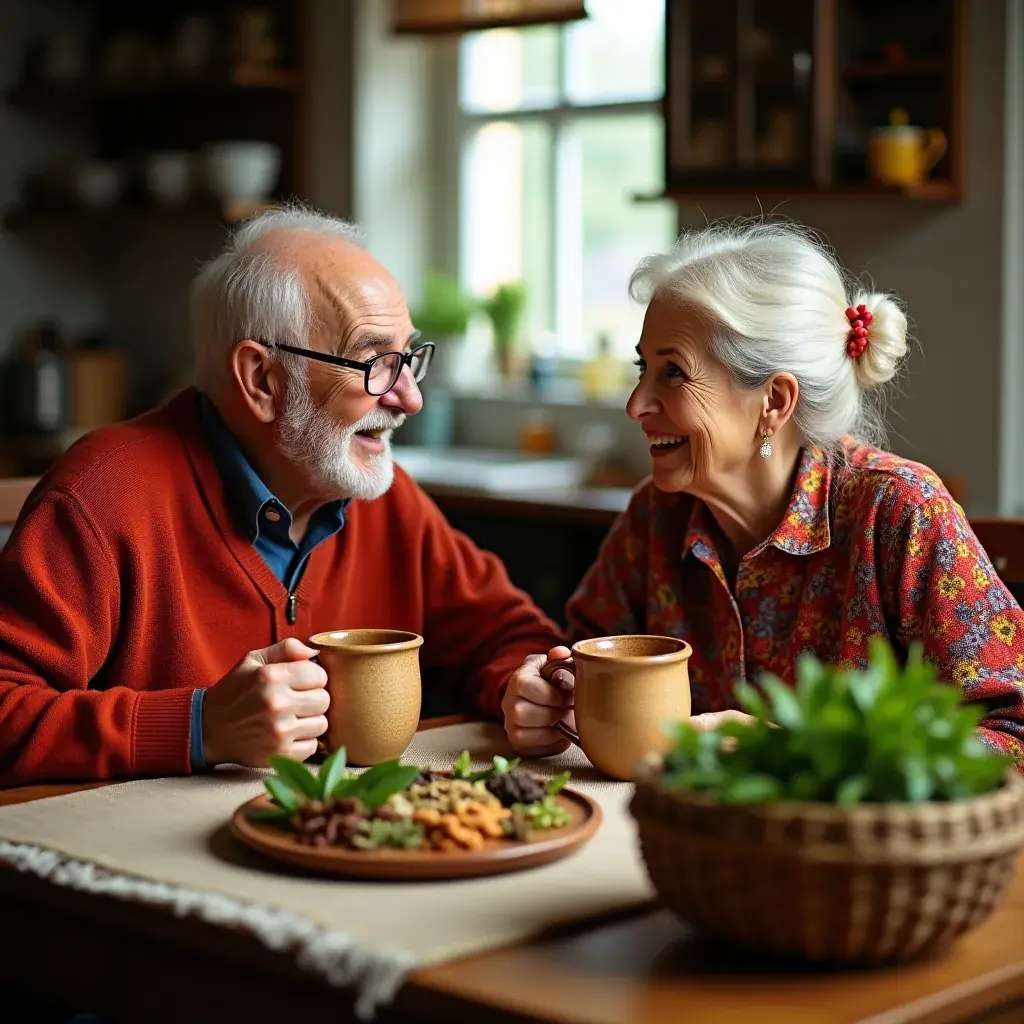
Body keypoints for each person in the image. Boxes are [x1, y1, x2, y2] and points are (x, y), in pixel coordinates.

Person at [0, 207, 565, 785]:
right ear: (261, 379)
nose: (410, 398)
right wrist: (200, 725)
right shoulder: (103, 495)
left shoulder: (384, 497)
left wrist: (522, 685)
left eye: (409, 358)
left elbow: (508, 635)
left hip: (348, 832)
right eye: (374, 361)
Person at [503, 220, 1024, 769]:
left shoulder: (899, 514)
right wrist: (546, 699)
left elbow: (1013, 735)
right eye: (643, 367)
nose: (636, 405)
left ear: (774, 401)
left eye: (673, 373)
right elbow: (581, 660)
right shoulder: (653, 518)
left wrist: (797, 751)